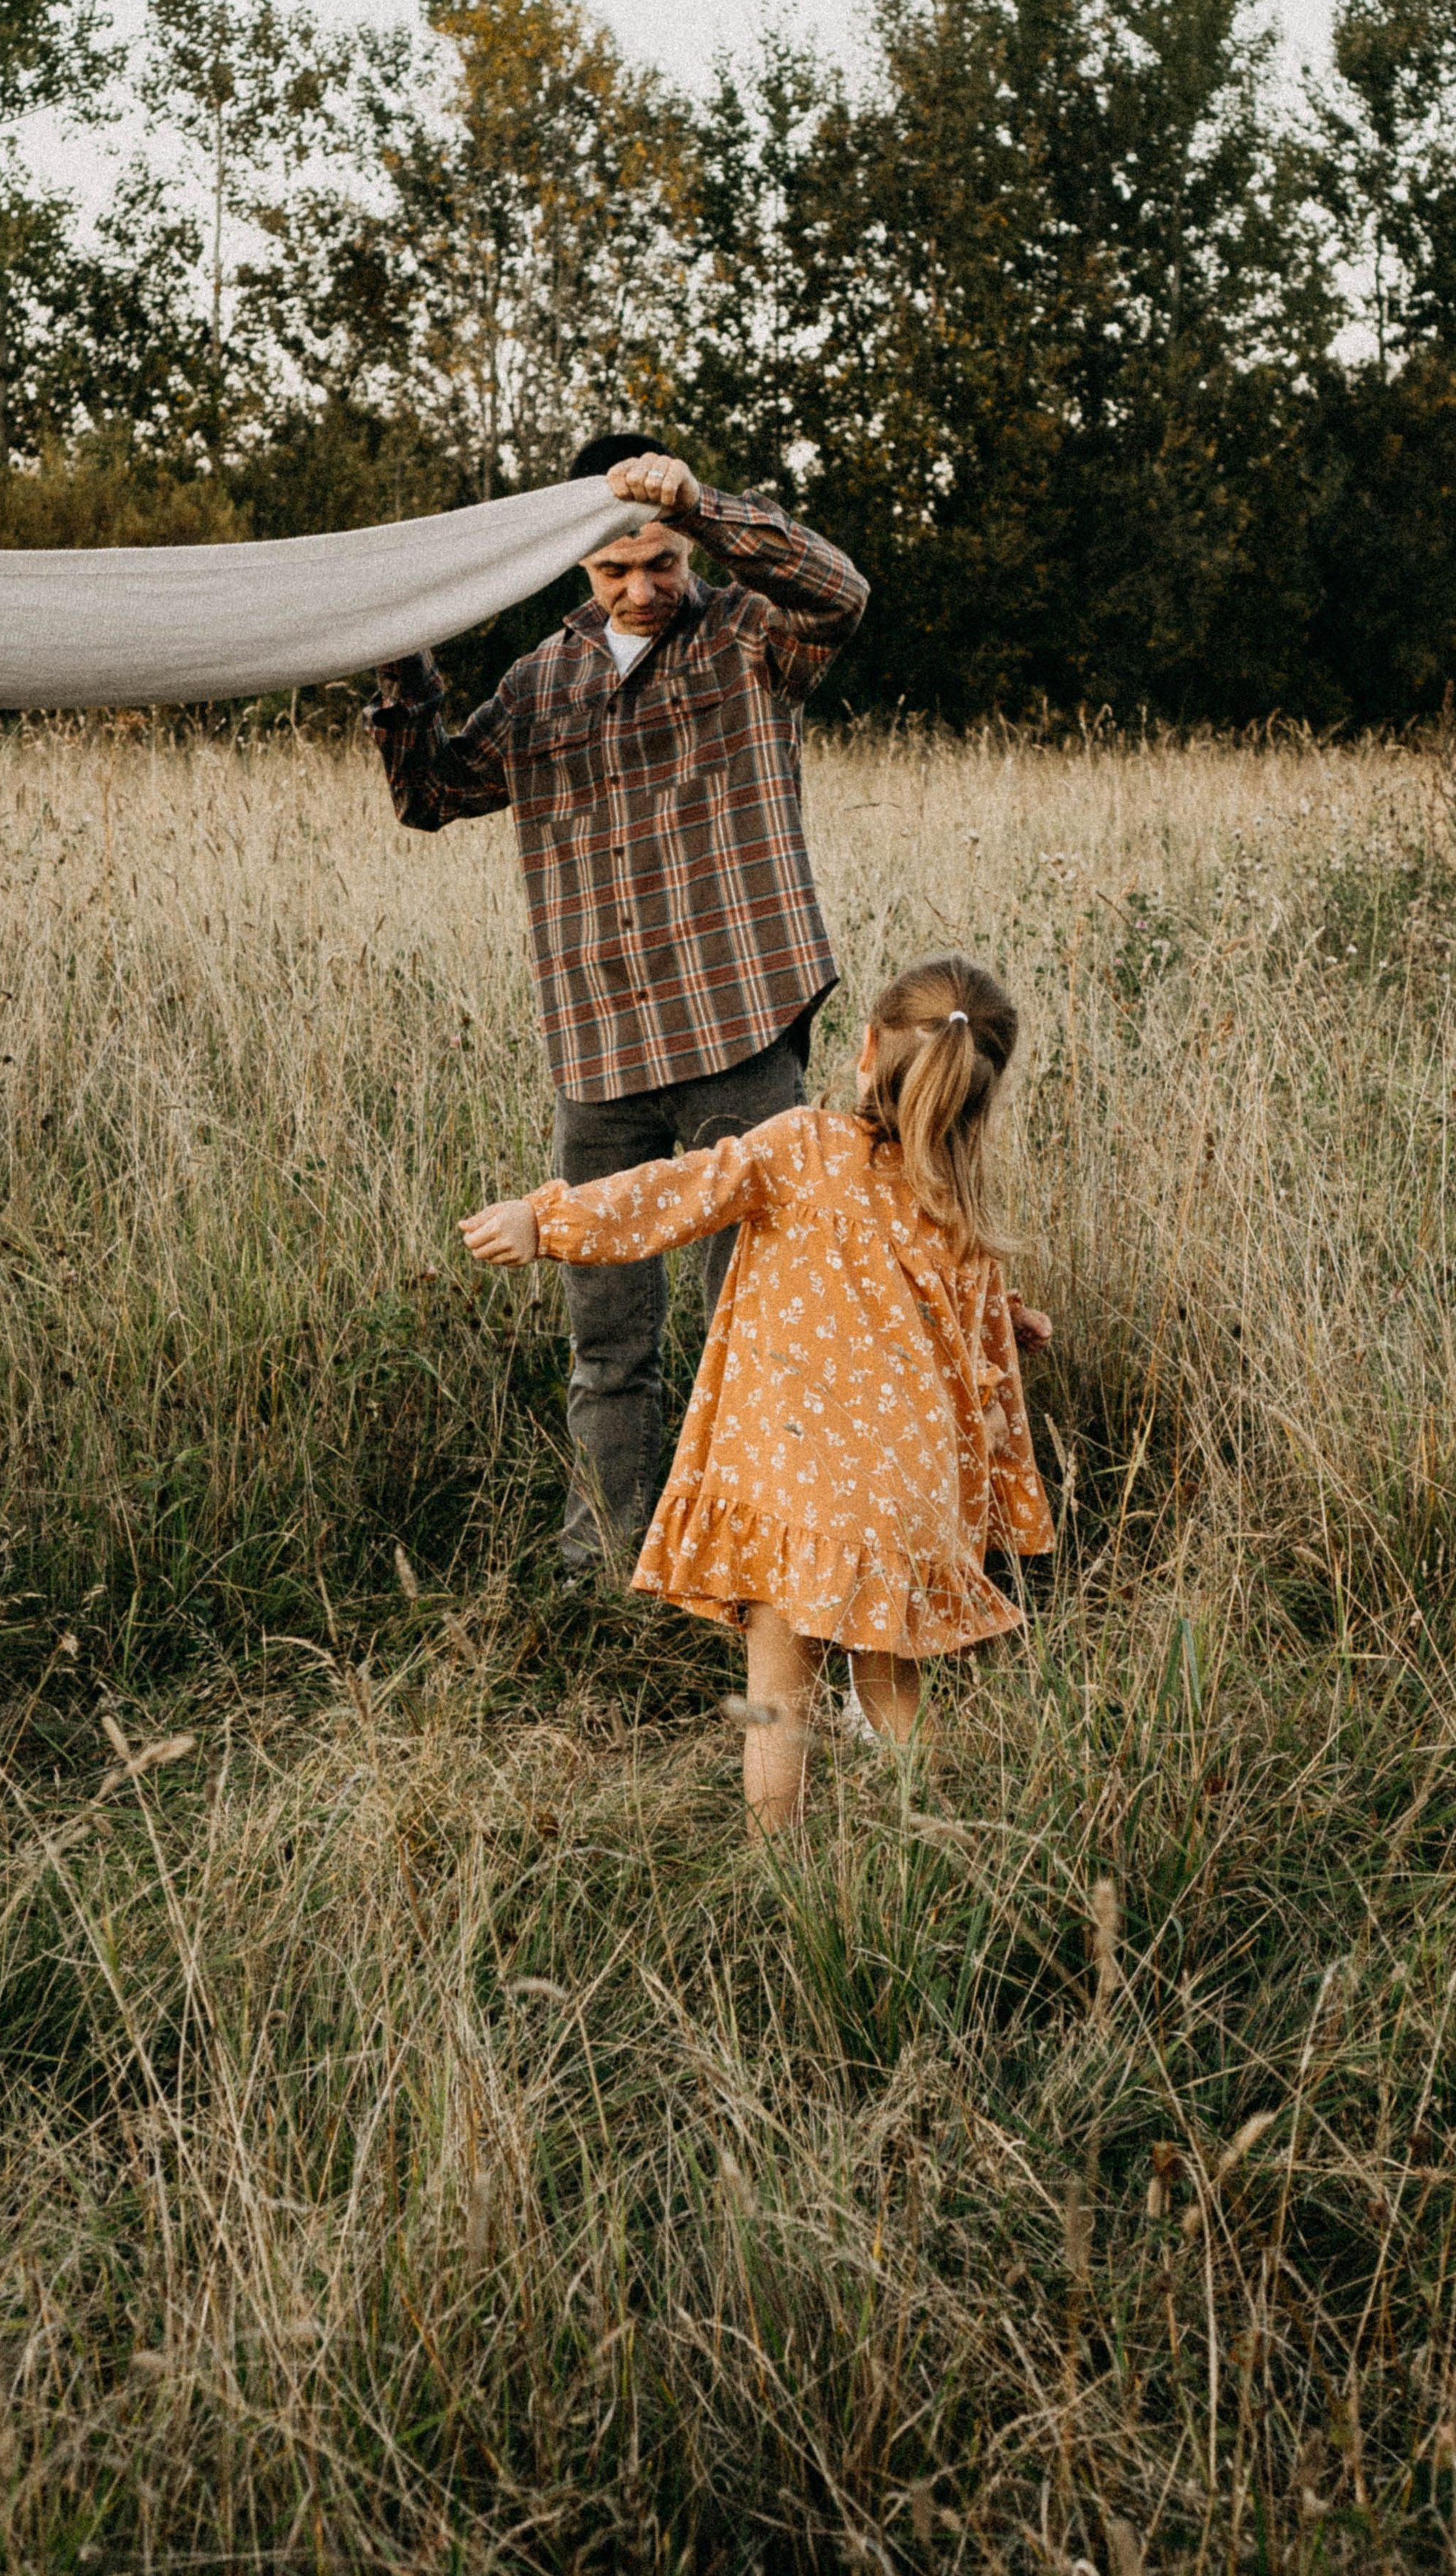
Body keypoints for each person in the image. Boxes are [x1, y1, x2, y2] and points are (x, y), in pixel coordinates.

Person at [369, 437, 868, 1573]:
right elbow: (433, 794)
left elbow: (841, 590)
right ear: (575, 570)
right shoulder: (542, 681)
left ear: (686, 544)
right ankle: (606, 1567)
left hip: (739, 1029)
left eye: (659, 561)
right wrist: (398, 652)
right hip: (596, 1051)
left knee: (763, 1327)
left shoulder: (751, 634)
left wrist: (702, 500)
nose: (642, 588)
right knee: (609, 1346)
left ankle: (769, 1562)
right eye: (613, 570)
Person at [458, 955, 1056, 1838]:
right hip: (903, 1507)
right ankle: (922, 1856)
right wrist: (1009, 1323)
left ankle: (778, 1867)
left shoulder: (799, 1146)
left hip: (796, 1487)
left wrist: (545, 1222)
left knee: (778, 1697)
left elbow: (672, 1193)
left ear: (866, 1048)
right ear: (977, 1094)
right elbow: (965, 1345)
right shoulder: (956, 1204)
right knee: (894, 1693)